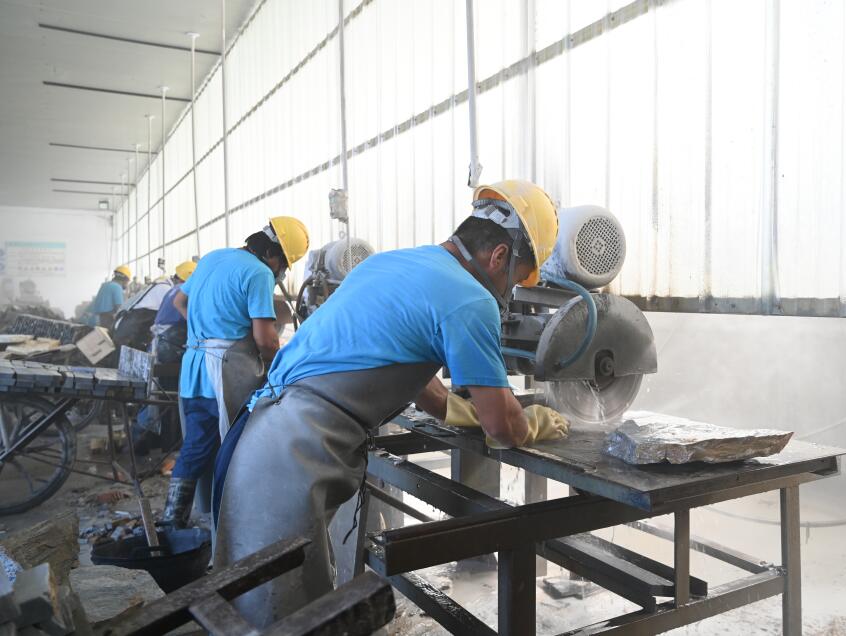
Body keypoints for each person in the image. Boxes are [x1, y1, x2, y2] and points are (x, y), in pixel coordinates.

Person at [211, 180, 567, 627]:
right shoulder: (470, 298)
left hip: (266, 435)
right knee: (281, 619)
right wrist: (531, 421)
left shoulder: (390, 263)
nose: (510, 292)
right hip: (290, 458)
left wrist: (460, 410)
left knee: (279, 606)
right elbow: (502, 428)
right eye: (516, 278)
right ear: (499, 257)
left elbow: (410, 372)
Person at [161, 217, 309, 528]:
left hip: (194, 368)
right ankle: (226, 525)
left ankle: (176, 519)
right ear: (274, 254)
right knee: (236, 447)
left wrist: (206, 331)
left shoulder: (213, 257)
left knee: (198, 444)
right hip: (225, 374)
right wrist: (285, 367)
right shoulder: (258, 273)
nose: (280, 271)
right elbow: (265, 340)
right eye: (283, 264)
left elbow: (179, 300)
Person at [132, 260, 198, 456]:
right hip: (171, 348)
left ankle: (155, 440)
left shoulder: (172, 289)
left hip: (161, 346)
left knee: (161, 396)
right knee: (173, 398)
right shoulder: (186, 291)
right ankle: (171, 445)